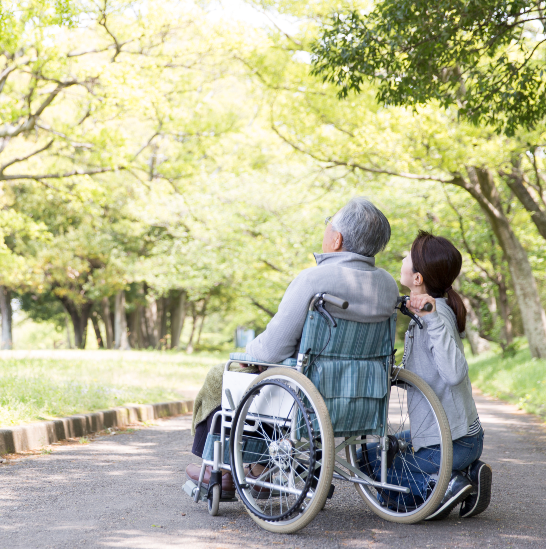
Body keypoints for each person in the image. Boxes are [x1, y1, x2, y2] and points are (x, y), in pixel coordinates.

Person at [186, 197, 399, 495]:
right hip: (362, 392)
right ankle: (258, 468)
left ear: (336, 239)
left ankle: (216, 469)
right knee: (281, 377)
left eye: (329, 225)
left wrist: (250, 356)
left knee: (227, 375)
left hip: (308, 391)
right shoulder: (388, 285)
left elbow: (271, 349)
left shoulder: (315, 278)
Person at [385, 230, 492, 519]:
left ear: (417, 278)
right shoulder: (428, 311)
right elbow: (419, 375)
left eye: (408, 255)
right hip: (451, 437)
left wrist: (430, 318)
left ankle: (448, 483)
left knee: (385, 484)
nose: (404, 259)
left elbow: (454, 373)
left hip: (454, 440)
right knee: (368, 458)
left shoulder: (436, 315)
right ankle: (465, 473)